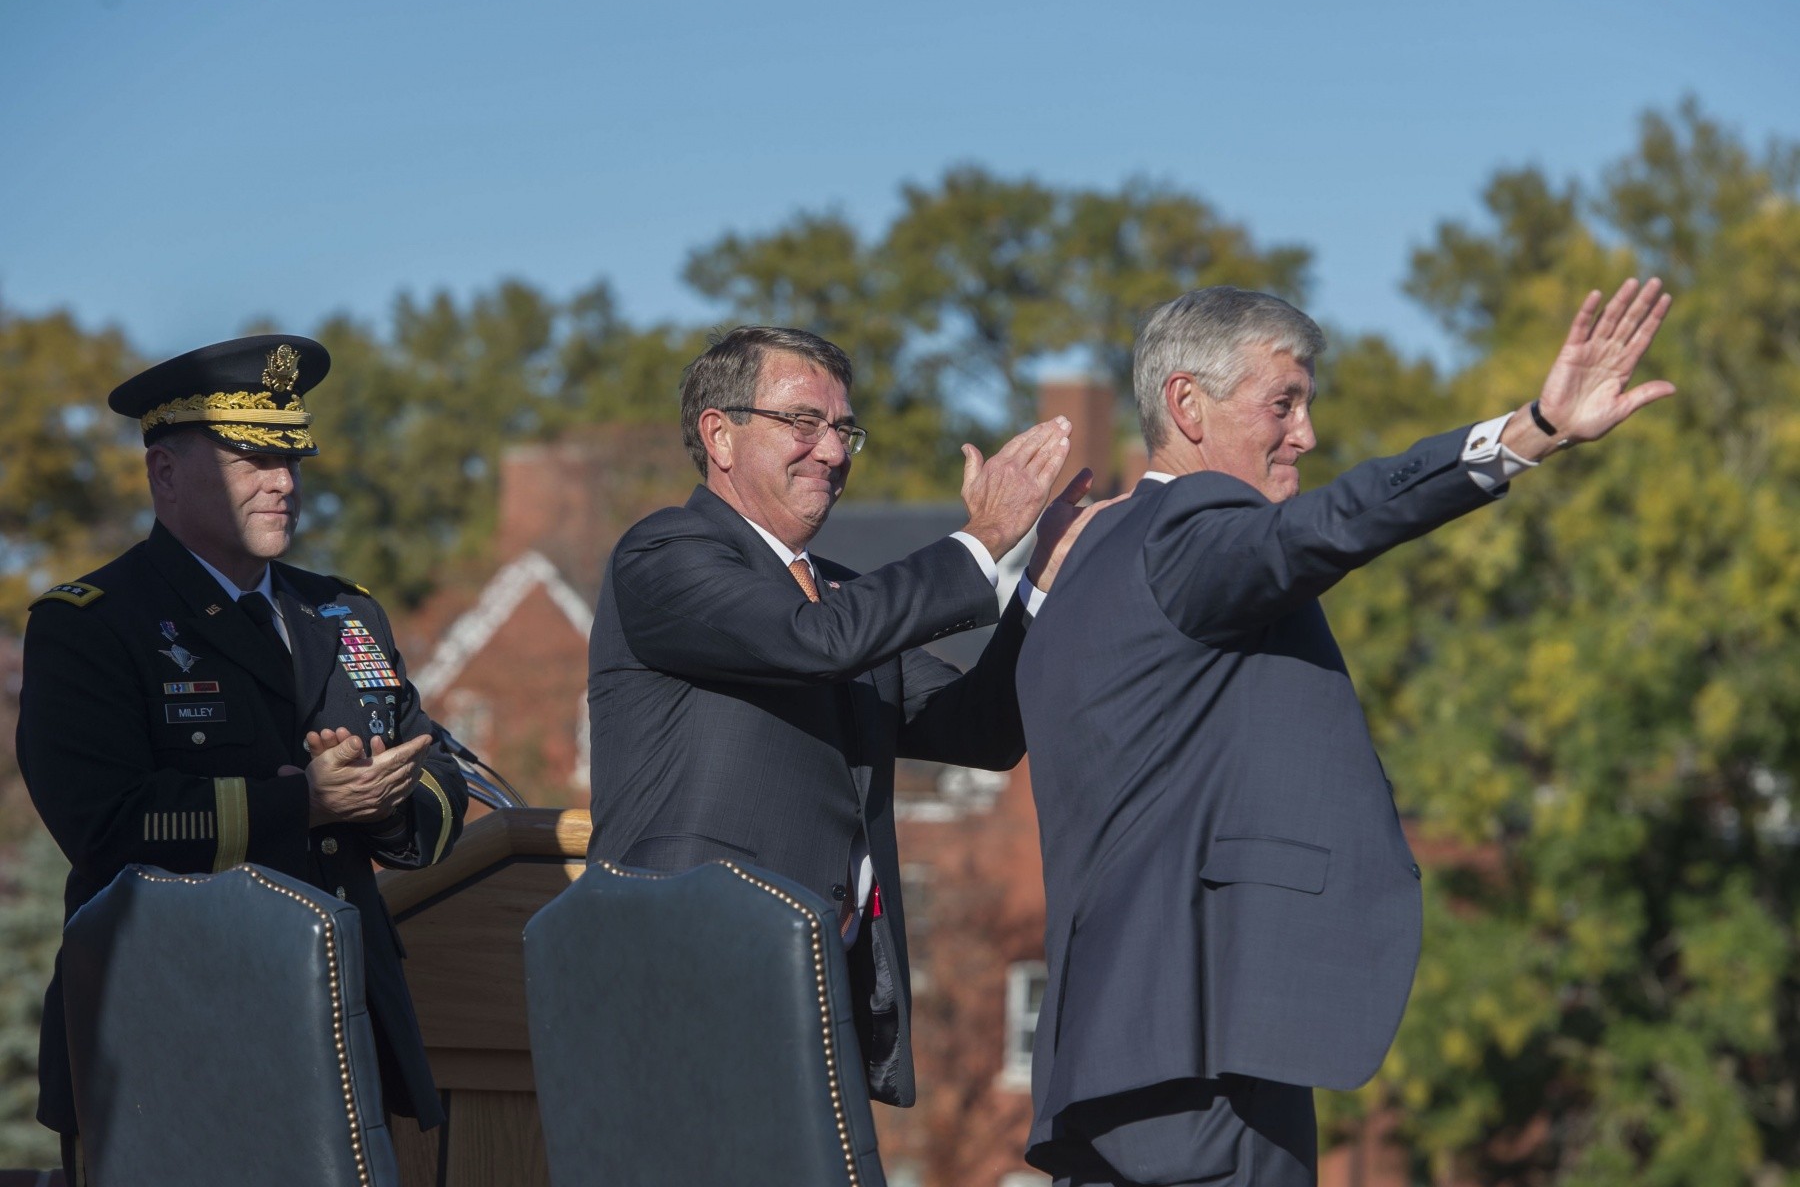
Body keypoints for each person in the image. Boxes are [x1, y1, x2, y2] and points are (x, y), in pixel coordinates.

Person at [1016, 280, 1674, 1186]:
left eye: (1307, 405)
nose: (1307, 435)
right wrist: (1529, 432)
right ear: (1186, 404)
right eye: (1282, 403)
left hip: (1114, 1062)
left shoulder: (1089, 555)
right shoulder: (1191, 530)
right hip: (1203, 1054)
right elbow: (1331, 526)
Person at [588, 325, 1101, 1106]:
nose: (832, 452)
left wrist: (1035, 586)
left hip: (825, 1001)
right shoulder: (664, 555)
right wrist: (986, 537)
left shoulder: (838, 597)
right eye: (802, 422)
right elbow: (817, 642)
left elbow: (982, 732)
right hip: (692, 977)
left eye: (842, 428)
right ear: (719, 435)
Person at [16, 335, 468, 1178]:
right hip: (172, 1018)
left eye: (292, 459)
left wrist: (384, 799)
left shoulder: (346, 615)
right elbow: (106, 828)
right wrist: (304, 806)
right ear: (164, 473)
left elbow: (436, 775)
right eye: (250, 460)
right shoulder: (91, 625)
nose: (284, 484)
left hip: (348, 1017)